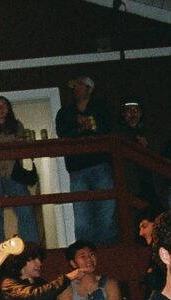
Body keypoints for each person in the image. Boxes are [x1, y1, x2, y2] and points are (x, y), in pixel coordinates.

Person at [55, 74, 117, 244]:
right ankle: (83, 251)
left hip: (101, 164)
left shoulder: (101, 108)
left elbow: (108, 129)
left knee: (106, 211)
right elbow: (62, 133)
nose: (76, 89)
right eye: (75, 86)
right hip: (77, 168)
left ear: (90, 89)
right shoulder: (66, 112)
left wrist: (92, 125)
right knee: (82, 216)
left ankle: (107, 249)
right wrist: (81, 128)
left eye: (80, 85)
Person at [0, 95, 39, 244]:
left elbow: (21, 142)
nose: (1, 108)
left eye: (4, 105)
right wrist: (12, 139)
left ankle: (30, 247)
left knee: (25, 210)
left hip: (13, 173)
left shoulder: (17, 125)